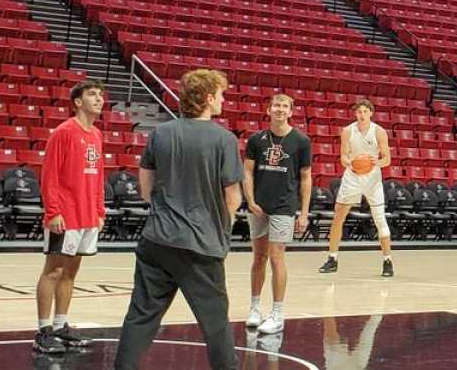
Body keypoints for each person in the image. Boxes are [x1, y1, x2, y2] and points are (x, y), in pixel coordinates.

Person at [114, 69, 244, 370]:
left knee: (141, 316)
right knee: (215, 325)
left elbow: (145, 188)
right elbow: (233, 197)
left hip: (157, 239)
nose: (224, 99)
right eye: (221, 94)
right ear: (209, 98)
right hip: (201, 245)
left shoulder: (160, 133)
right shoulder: (223, 139)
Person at [34, 80, 108, 355]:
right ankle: (43, 332)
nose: (99, 99)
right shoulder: (64, 132)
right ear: (78, 101)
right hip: (64, 215)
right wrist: (53, 211)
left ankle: (61, 325)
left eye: (101, 95)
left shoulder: (97, 134)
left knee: (71, 272)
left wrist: (100, 210)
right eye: (92, 94)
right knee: (53, 270)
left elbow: (99, 175)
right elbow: (49, 174)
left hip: (87, 215)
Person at [244, 93, 313, 334]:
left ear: (291, 111)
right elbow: (248, 173)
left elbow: (306, 177)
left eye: (285, 106)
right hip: (258, 206)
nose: (280, 109)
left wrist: (304, 212)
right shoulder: (256, 139)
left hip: (284, 206)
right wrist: (250, 201)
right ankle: (254, 308)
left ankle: (277, 313)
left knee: (276, 257)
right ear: (269, 109)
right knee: (258, 258)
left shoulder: (301, 141)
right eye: (276, 105)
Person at [321, 98, 393, 279]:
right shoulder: (347, 131)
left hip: (372, 177)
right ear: (355, 113)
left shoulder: (379, 132)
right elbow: (343, 157)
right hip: (352, 175)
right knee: (338, 217)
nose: (361, 115)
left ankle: (387, 260)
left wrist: (377, 162)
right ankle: (332, 258)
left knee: (379, 220)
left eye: (365, 112)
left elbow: (387, 159)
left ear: (371, 113)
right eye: (359, 112)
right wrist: (351, 163)